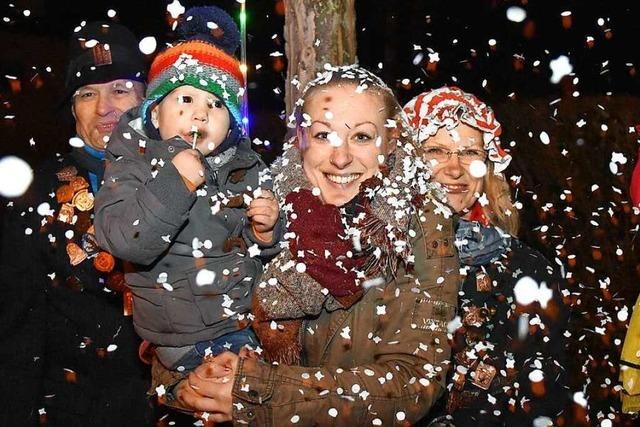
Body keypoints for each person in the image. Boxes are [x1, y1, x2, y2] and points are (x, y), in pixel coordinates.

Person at [148, 64, 460, 425]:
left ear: (389, 143)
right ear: (301, 139)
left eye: (361, 137)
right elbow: (171, 328)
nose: (340, 158)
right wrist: (201, 377)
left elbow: (413, 382)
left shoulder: (416, 224)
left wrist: (259, 391)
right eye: (324, 135)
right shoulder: (259, 206)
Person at [94, 5, 283, 382]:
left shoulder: (243, 166)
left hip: (243, 320)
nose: (201, 115)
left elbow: (255, 248)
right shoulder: (134, 160)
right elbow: (124, 238)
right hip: (184, 335)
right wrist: (174, 183)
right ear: (154, 112)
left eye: (216, 105)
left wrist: (265, 233)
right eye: (185, 100)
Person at [0, 21, 153, 426]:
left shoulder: (187, 178)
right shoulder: (38, 197)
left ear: (148, 100)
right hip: (78, 410)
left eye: (120, 89)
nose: (105, 108)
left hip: (178, 407)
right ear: (72, 109)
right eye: (88, 94)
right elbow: (17, 332)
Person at [403, 86, 569, 426]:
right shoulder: (378, 258)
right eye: (435, 150)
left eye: (468, 152)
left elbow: (543, 395)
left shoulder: (527, 269)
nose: (454, 168)